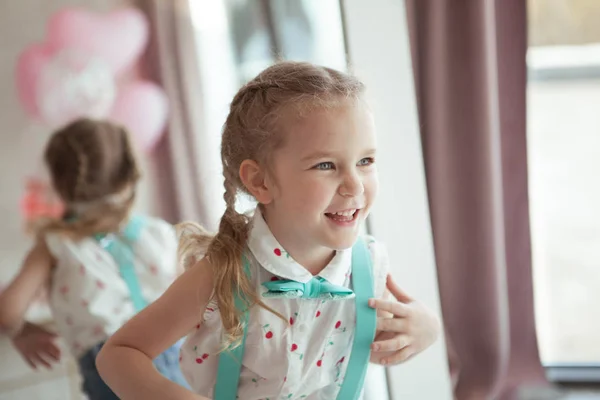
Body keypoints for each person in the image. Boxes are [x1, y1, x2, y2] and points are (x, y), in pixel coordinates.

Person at [97, 62, 441, 399]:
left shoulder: (369, 265)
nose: (354, 185)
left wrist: (427, 330)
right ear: (260, 181)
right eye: (326, 165)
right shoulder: (223, 275)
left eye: (365, 161)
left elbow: (379, 342)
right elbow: (120, 354)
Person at [0, 118, 188, 399]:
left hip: (111, 373)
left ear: (61, 184)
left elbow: (7, 312)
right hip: (177, 358)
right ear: (128, 173)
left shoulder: (56, 245)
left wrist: (22, 333)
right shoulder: (159, 233)